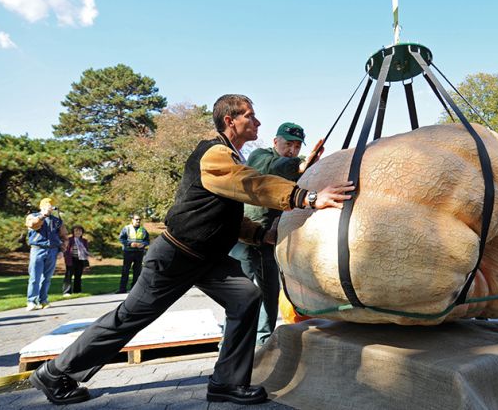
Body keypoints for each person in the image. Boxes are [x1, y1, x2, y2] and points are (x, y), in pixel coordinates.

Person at [29, 94, 354, 406]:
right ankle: (55, 373)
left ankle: (227, 382)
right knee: (130, 317)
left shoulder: (230, 157)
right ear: (230, 120)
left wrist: (259, 235)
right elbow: (250, 185)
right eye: (249, 115)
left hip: (208, 259)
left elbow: (222, 215)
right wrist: (307, 197)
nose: (257, 120)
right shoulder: (214, 154)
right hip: (176, 256)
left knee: (246, 297)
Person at [229, 122, 324, 345]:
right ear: (275, 142)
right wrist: (300, 165)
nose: (292, 150)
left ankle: (262, 348)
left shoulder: (296, 169)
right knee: (237, 297)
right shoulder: (261, 156)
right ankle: (230, 347)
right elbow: (272, 169)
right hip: (245, 238)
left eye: (297, 146)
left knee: (269, 298)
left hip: (270, 242)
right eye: (288, 144)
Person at [25, 198, 68, 311]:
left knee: (47, 278)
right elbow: (33, 225)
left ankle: (43, 300)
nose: (49, 208)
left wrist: (61, 250)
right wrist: (42, 216)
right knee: (35, 277)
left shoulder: (57, 221)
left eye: (51, 206)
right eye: (47, 206)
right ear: (41, 207)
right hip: (37, 249)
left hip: (53, 251)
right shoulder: (32, 216)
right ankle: (31, 302)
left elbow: (64, 237)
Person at [117, 214, 149, 293]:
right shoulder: (126, 228)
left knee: (137, 271)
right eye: (136, 219)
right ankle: (122, 289)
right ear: (132, 220)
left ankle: (134, 289)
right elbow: (121, 239)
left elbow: (147, 240)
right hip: (128, 252)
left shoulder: (143, 230)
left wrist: (143, 244)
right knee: (125, 271)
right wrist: (130, 244)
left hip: (139, 253)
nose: (138, 221)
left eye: (139, 219)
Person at [62, 225, 90, 296]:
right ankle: (67, 291)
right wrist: (66, 257)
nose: (78, 232)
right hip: (71, 259)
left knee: (78, 276)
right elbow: (66, 250)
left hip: (80, 260)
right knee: (68, 276)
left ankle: (77, 291)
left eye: (80, 231)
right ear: (73, 232)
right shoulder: (69, 240)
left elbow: (86, 250)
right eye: (76, 231)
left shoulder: (84, 241)